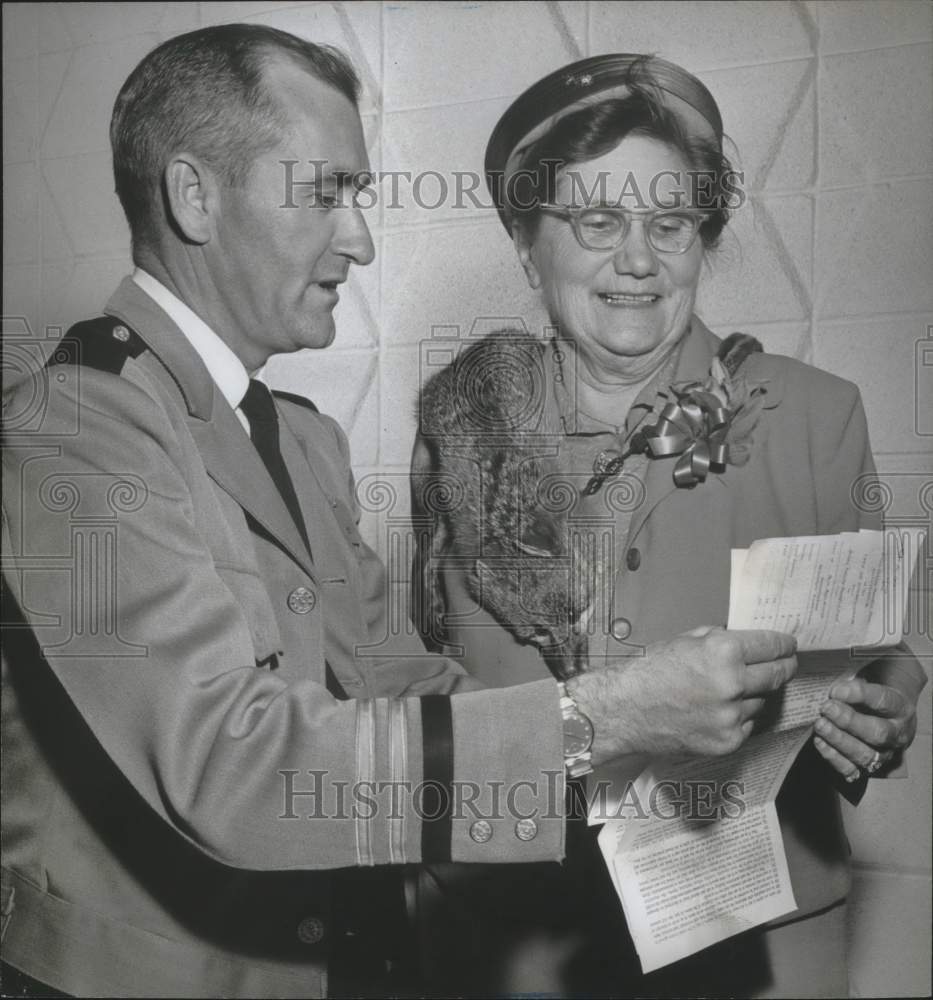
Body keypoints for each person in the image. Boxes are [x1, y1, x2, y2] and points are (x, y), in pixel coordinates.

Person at [0, 28, 801, 1000]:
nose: (362, 238)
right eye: (325, 191)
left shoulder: (298, 438)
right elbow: (229, 769)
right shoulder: (73, 424)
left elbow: (398, 683)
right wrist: (603, 715)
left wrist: (642, 729)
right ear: (193, 195)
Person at [411, 54, 927, 998]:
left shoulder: (814, 415)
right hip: (518, 931)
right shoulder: (462, 428)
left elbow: (875, 654)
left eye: (670, 223)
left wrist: (882, 708)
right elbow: (418, 677)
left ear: (703, 239)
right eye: (597, 222)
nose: (637, 260)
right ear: (527, 244)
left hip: (761, 934)